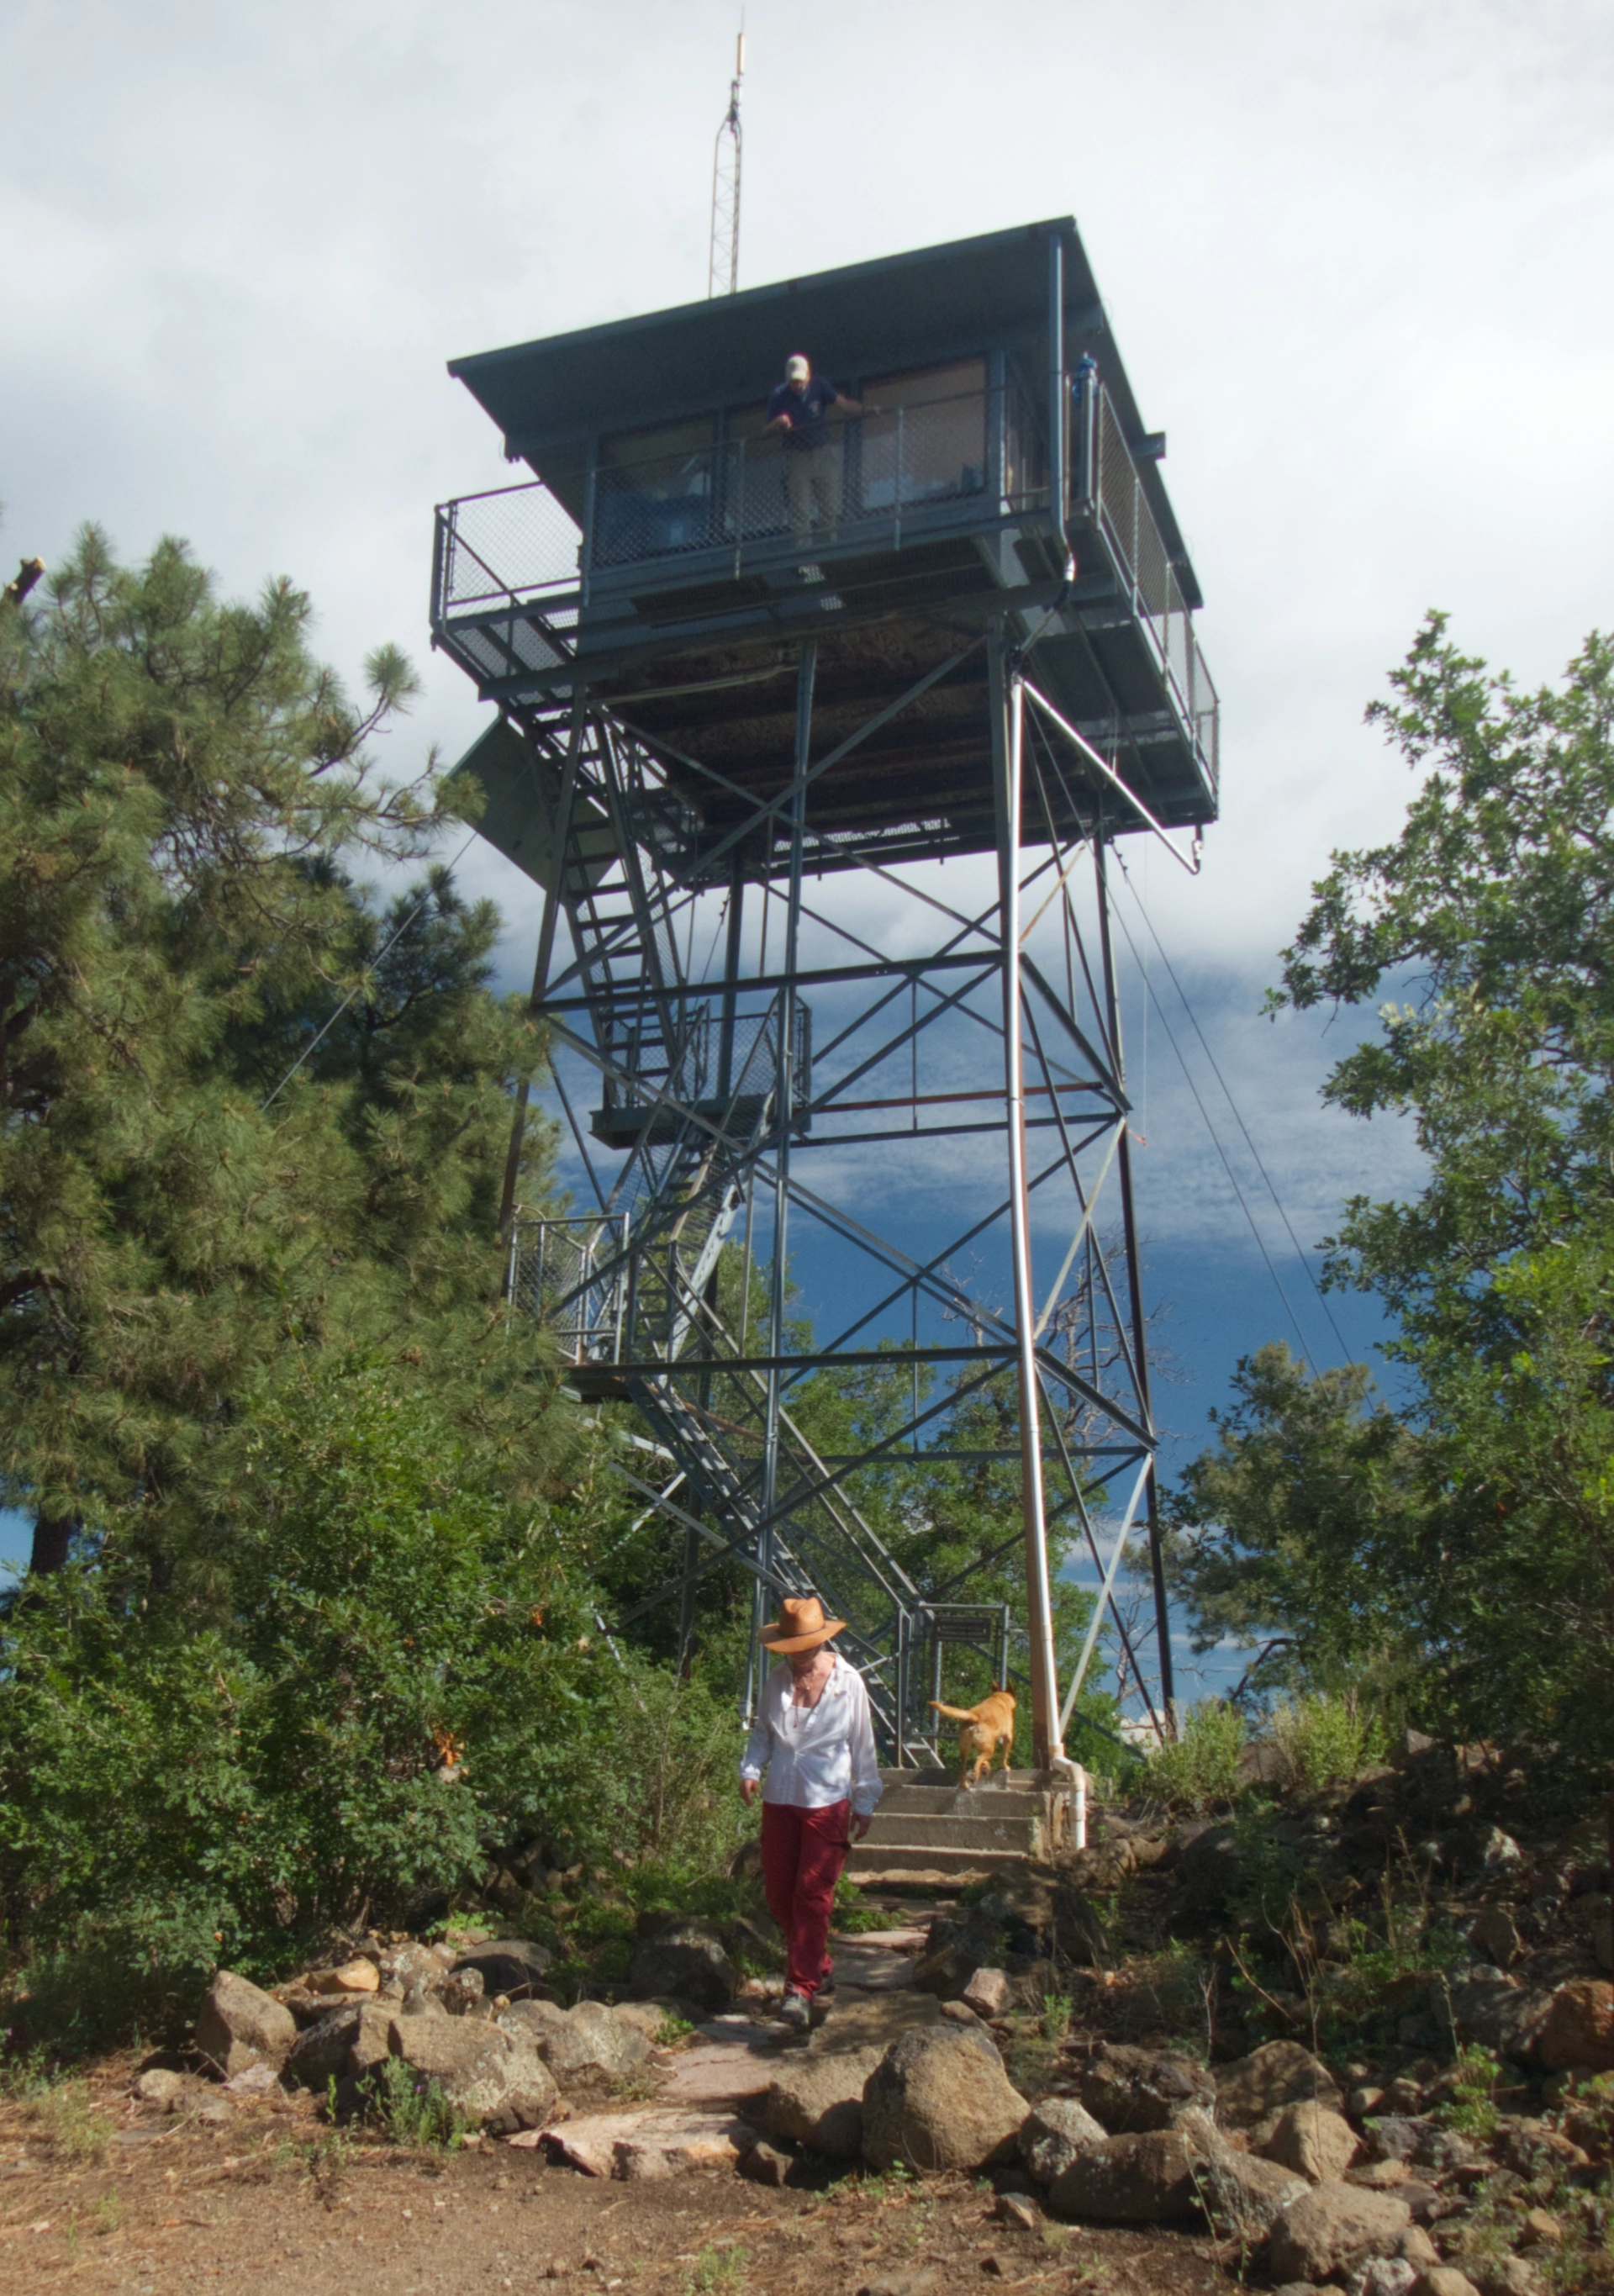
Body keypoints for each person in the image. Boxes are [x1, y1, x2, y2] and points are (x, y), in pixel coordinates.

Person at [739, 1594, 882, 2031]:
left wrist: (864, 1799)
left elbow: (863, 1744)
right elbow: (764, 1731)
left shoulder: (848, 1682)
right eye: (790, 1649)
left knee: (812, 1895)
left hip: (828, 1800)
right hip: (781, 1796)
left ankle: (799, 1990)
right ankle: (818, 1961)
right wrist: (749, 1767)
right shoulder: (777, 1681)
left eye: (803, 1649)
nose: (797, 1658)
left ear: (820, 1643)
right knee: (779, 1894)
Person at [765, 354, 867, 557]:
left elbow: (843, 403)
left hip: (822, 452)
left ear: (808, 376)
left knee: (829, 504)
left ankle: (829, 549)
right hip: (797, 457)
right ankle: (805, 554)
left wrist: (865, 410)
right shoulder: (778, 395)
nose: (798, 386)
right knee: (800, 509)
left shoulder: (819, 385)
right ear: (788, 380)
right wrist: (778, 423)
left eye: (801, 381)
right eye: (793, 382)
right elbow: (766, 428)